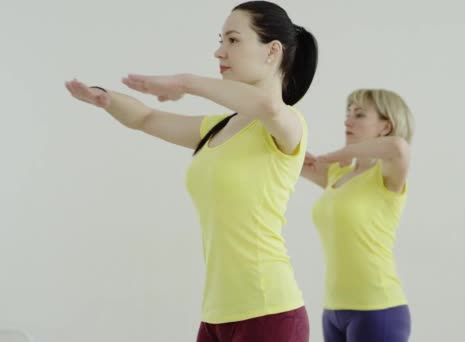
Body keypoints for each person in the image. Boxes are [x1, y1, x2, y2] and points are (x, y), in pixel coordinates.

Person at [65, 2, 318, 341]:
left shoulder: (287, 124)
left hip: (268, 310)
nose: (219, 51)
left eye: (232, 40)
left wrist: (185, 82)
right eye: (220, 40)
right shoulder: (219, 128)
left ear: (272, 51)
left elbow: (268, 106)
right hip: (216, 314)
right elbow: (146, 119)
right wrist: (106, 100)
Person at [301, 89, 414, 342]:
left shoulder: (386, 177)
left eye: (359, 114)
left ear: (386, 127)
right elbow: (286, 156)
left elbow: (399, 147)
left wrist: (340, 154)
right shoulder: (337, 175)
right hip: (333, 311)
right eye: (348, 114)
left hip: (378, 308)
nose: (347, 121)